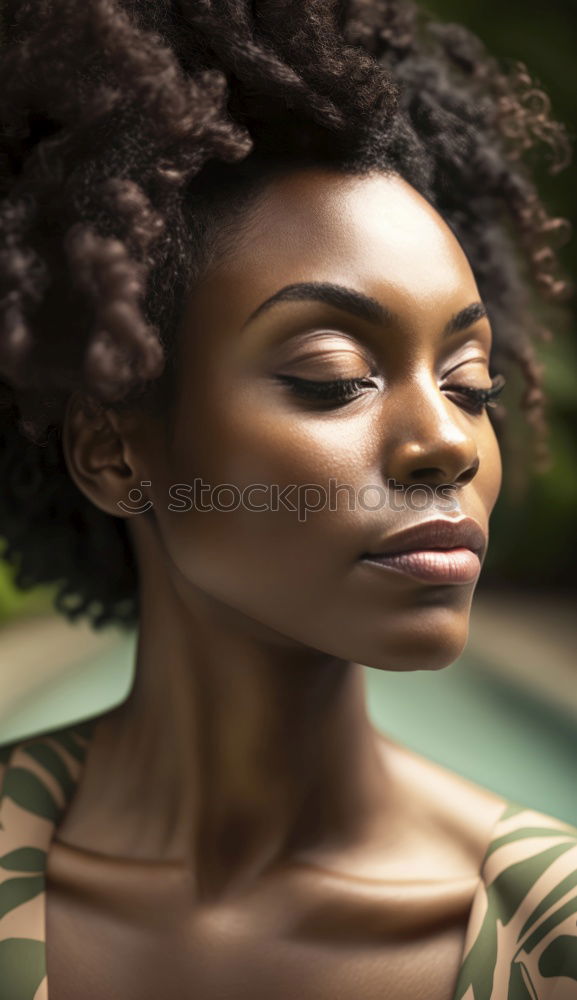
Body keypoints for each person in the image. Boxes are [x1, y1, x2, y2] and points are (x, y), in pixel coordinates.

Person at [0, 1, 575, 998]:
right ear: (112, 449)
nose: (446, 439)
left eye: (470, 383)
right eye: (332, 373)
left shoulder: (550, 935)